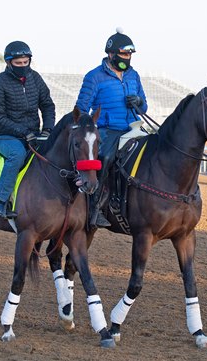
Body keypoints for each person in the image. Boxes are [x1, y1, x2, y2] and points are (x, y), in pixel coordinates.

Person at [76, 28, 148, 227]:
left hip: (133, 126)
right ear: (111, 54)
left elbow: (145, 107)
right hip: (108, 129)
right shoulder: (94, 77)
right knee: (106, 158)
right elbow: (82, 109)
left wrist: (138, 101)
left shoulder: (133, 75)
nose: (127, 58)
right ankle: (94, 207)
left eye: (129, 55)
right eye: (124, 54)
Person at [0, 40, 55, 218]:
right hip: (6, 137)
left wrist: (48, 129)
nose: (23, 66)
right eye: (18, 64)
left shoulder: (36, 78)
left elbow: (47, 105)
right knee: (17, 155)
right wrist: (23, 133)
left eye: (26, 63)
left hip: (34, 134)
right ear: (8, 63)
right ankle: (1, 200)